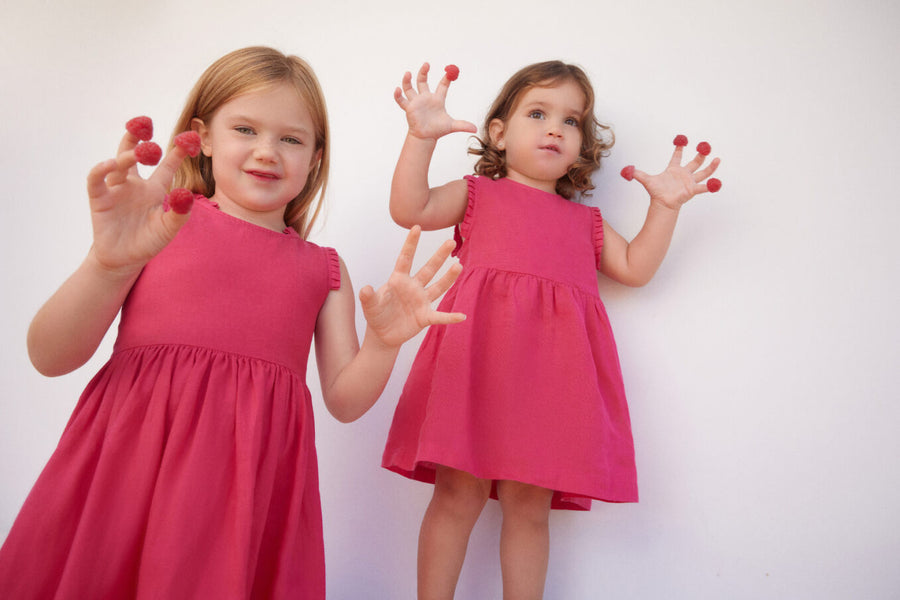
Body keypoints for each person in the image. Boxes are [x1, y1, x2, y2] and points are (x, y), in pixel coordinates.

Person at [0, 46, 464, 599]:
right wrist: (106, 264)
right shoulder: (156, 227)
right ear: (204, 137)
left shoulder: (323, 269)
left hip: (244, 496)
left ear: (315, 157)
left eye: (291, 139)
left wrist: (384, 344)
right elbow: (50, 357)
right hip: (128, 474)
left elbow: (344, 400)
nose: (267, 151)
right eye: (245, 129)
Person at [381, 61, 721, 599]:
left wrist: (664, 206)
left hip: (550, 383)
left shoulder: (585, 222)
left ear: (582, 145)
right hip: (476, 368)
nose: (555, 129)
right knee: (457, 494)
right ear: (499, 133)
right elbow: (410, 208)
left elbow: (635, 268)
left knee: (529, 506)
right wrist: (420, 138)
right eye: (538, 113)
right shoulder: (477, 194)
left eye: (571, 120)